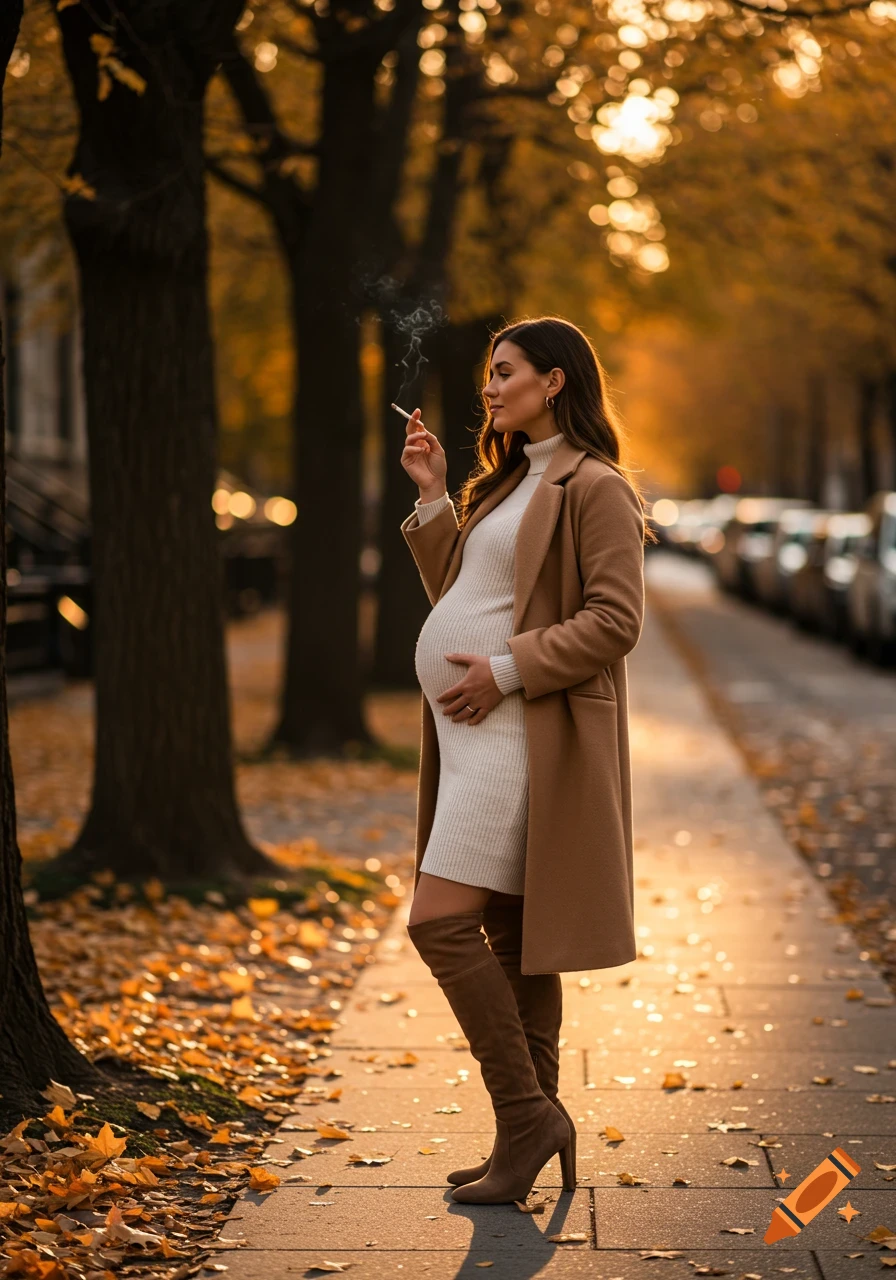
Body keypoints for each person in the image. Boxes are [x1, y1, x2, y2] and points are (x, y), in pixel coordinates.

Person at [398, 316, 652, 1205]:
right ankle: (526, 1135)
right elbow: (468, 596)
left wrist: (505, 671)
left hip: (521, 733)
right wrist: (434, 496)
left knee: (438, 922)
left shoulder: (596, 487)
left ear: (555, 381)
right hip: (474, 734)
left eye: (504, 373)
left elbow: (617, 622)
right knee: (511, 941)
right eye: (487, 377)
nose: (490, 388)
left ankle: (528, 1116)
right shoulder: (503, 483)